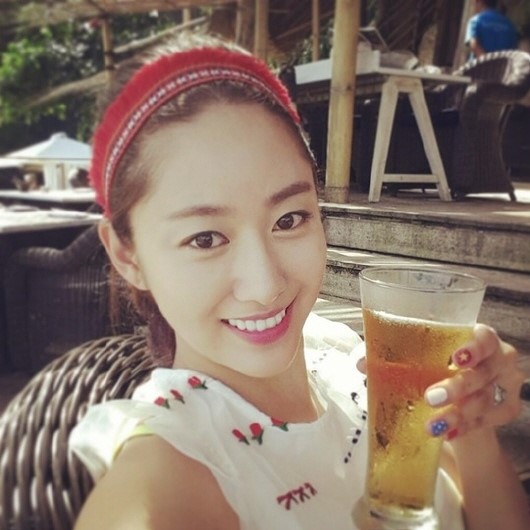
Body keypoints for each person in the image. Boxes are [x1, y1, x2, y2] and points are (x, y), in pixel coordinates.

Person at [69, 32, 530, 530]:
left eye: (289, 219)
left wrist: (472, 426)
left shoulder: (346, 359)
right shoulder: (168, 470)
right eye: (205, 238)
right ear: (127, 255)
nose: (266, 286)